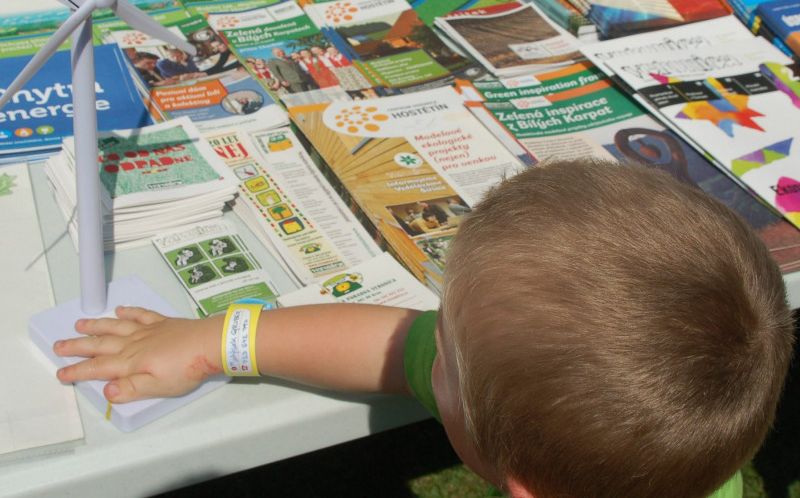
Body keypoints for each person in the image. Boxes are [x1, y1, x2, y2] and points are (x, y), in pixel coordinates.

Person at [52, 159, 794, 498]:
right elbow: (383, 341)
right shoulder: (683, 451)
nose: (424, 342)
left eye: (443, 357)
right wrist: (216, 340)